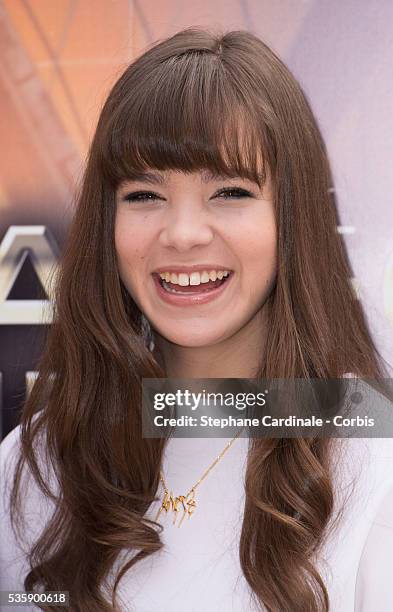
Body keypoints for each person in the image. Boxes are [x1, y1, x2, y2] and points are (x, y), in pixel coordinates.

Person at [1, 26, 393, 612]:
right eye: (144, 195)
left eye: (230, 192)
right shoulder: (37, 457)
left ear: (293, 216)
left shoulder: (372, 455)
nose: (182, 234)